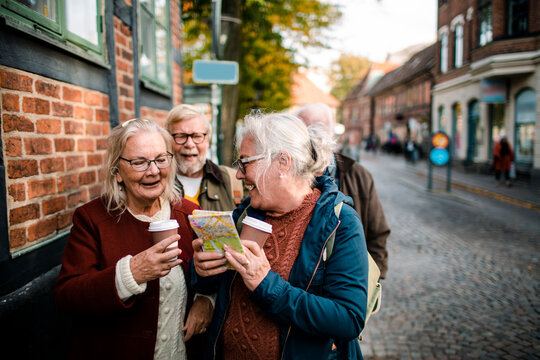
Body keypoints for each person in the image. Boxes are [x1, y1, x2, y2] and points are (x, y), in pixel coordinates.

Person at [191, 111, 369, 359]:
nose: (239, 174)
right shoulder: (246, 212)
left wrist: (266, 284)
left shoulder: (340, 223)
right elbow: (216, 286)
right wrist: (202, 271)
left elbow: (348, 319)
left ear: (282, 163)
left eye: (245, 162)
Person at [55, 118, 212, 360]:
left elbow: (211, 271)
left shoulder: (189, 213)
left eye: (161, 159)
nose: (153, 170)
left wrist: (205, 300)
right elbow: (69, 297)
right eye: (139, 162)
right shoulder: (91, 219)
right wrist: (132, 273)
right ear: (117, 172)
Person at [296, 103, 390, 279]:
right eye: (307, 129)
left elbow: (377, 233)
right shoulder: (285, 176)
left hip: (347, 279)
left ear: (333, 134)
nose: (315, 136)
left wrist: (370, 280)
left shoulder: (358, 175)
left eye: (321, 128)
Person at [166, 104, 244, 211]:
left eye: (197, 136)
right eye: (181, 136)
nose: (189, 144)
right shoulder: (158, 184)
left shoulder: (235, 181)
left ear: (208, 140)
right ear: (168, 140)